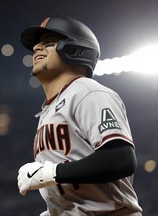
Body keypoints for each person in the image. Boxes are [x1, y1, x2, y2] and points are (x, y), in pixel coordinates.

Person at [17, 15, 143, 216]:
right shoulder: (48, 110)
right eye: (36, 45)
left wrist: (51, 173)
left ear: (75, 49)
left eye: (48, 43)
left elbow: (120, 159)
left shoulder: (88, 91)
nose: (36, 48)